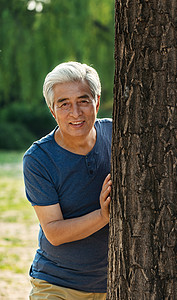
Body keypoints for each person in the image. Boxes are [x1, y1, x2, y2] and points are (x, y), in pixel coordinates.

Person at [23, 62, 112, 299]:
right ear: (52, 111)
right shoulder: (39, 159)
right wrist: (103, 215)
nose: (75, 113)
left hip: (114, 284)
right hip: (57, 284)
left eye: (83, 101)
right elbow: (54, 232)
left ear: (97, 102)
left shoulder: (119, 136)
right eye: (64, 104)